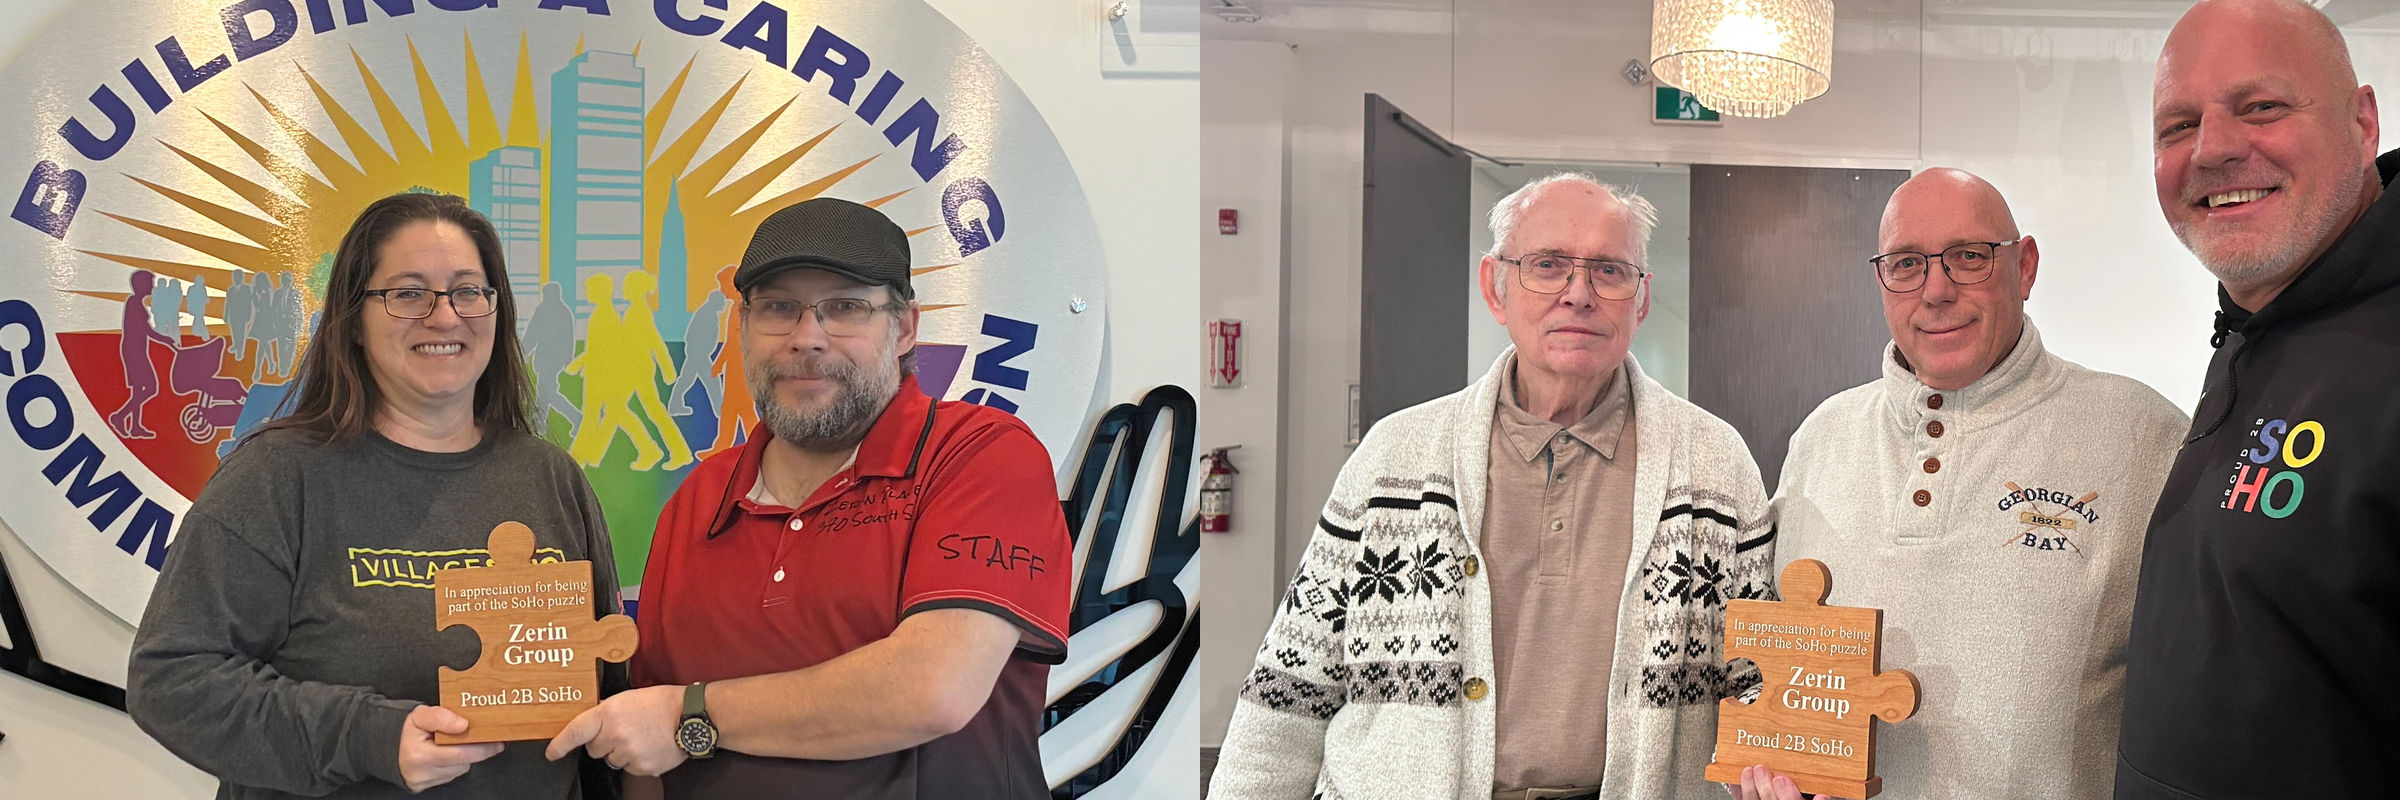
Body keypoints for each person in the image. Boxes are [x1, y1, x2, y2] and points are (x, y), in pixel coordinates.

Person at [1210, 174, 1775, 800]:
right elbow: (1290, 687)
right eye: (1548, 265)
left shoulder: (1715, 467)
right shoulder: (1393, 457)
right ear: (1495, 287)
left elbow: (1758, 678)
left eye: (1610, 271)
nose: (1578, 294)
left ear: (1640, 301)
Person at [544, 197, 1072, 800]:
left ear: (903, 328)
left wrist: (688, 717)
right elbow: (645, 743)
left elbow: (932, 689)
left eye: (844, 307)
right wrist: (661, 720)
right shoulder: (700, 496)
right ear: (742, 328)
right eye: (778, 308)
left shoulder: (981, 455)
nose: (806, 338)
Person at [126, 192, 623, 799]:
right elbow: (171, 679)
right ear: (354, 321)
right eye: (408, 292)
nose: (444, 317)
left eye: (468, 290)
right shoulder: (276, 478)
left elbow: (604, 688)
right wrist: (366, 736)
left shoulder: (552, 477)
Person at [1731, 169, 2186, 800]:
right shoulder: (1820, 437)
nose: (1936, 290)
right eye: (1907, 263)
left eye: (1969, 257)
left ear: (2024, 267)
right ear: (1882, 281)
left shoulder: (2145, 436)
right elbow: (1773, 668)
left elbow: (2199, 697)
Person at [2118, 1, 2398, 796]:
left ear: (2363, 120)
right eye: (2177, 127)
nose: (2210, 150)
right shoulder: (2257, 326)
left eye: (2261, 107)